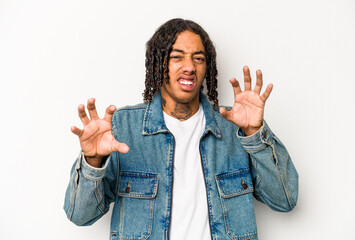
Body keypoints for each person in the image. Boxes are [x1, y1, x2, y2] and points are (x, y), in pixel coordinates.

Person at [64, 18, 298, 240]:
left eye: (198, 58)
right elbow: (80, 216)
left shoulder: (234, 126)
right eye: (177, 57)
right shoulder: (123, 127)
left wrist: (255, 134)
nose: (189, 67)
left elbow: (284, 200)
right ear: (158, 64)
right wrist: (92, 162)